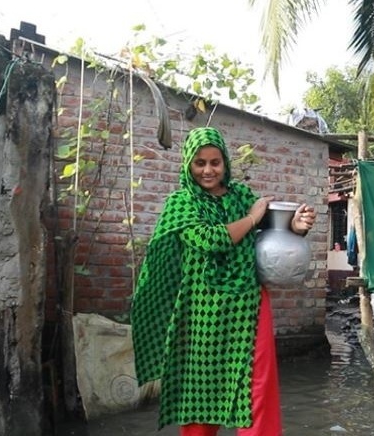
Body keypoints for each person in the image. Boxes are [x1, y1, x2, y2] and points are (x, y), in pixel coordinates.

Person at [130, 126, 316, 435]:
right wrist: (253, 219)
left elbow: (274, 232)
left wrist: (297, 226)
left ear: (225, 163)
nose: (208, 170)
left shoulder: (242, 196)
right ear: (188, 163)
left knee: (257, 383)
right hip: (201, 308)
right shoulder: (182, 203)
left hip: (249, 302)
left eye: (215, 162)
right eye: (200, 163)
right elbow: (209, 239)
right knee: (202, 385)